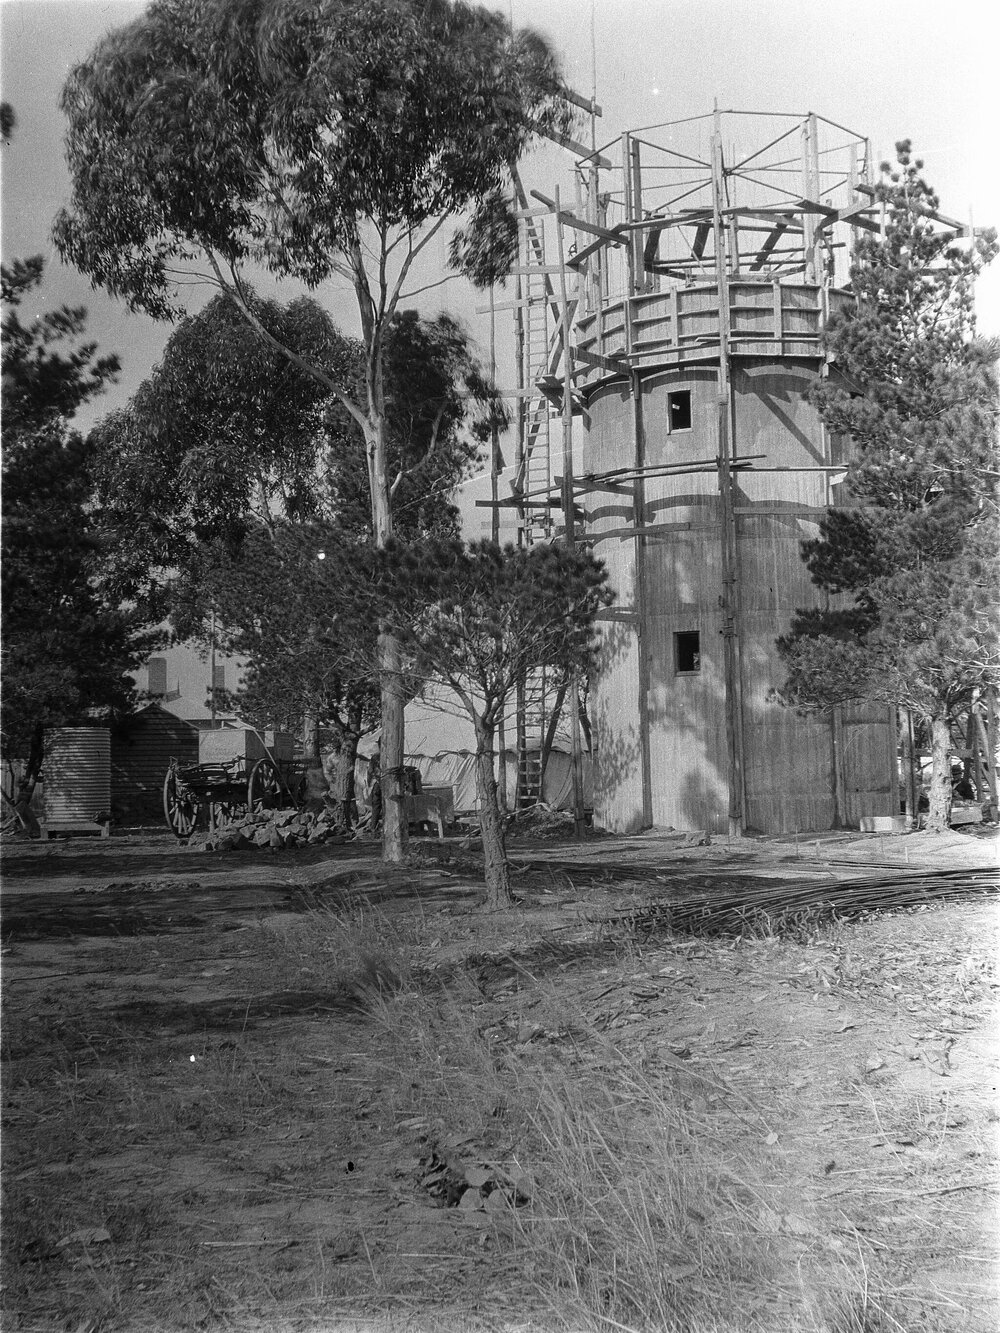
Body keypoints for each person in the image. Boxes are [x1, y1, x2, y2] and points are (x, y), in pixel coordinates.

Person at [367, 748, 383, 830]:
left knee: (376, 807)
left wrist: (369, 784)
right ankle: (374, 827)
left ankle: (374, 827)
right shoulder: (377, 756)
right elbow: (370, 771)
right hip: (380, 783)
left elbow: (370, 771)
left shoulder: (376, 756)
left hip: (378, 783)